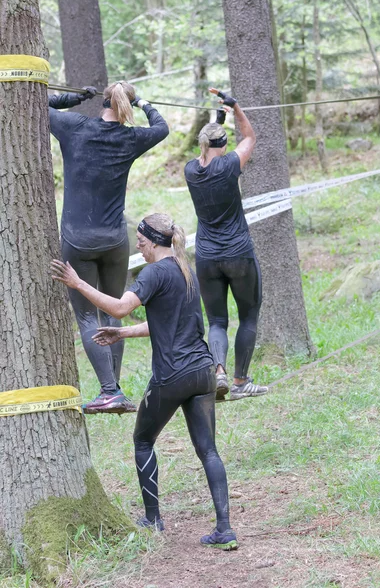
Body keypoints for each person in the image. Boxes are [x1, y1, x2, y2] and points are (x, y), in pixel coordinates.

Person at [50, 213, 238, 550]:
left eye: (140, 240)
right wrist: (123, 333)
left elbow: (121, 306)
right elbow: (163, 323)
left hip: (172, 376)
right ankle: (225, 529)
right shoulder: (185, 271)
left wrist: (78, 284)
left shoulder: (154, 273)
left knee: (142, 440)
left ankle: (153, 518)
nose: (137, 245)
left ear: (153, 241)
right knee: (208, 449)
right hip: (203, 373)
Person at [49, 82, 169, 414]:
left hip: (78, 240)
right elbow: (162, 128)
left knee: (87, 315)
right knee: (115, 309)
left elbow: (38, 102)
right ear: (125, 106)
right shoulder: (131, 138)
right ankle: (113, 389)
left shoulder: (74, 127)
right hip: (116, 239)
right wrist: (144, 102)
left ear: (102, 101)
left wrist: (74, 97)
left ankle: (109, 390)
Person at [184, 87, 269, 401]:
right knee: (248, 315)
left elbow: (207, 145)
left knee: (217, 320)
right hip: (238, 254)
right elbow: (249, 137)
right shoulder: (230, 164)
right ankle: (240, 381)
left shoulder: (191, 170)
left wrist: (217, 117)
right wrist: (235, 107)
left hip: (207, 256)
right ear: (223, 144)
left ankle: (218, 371)